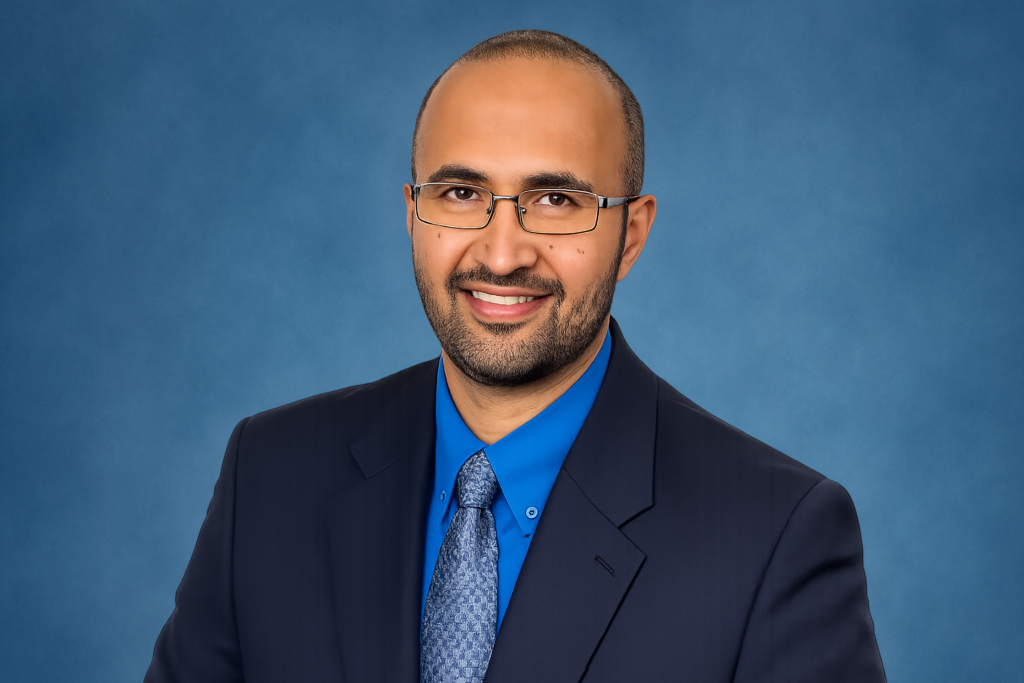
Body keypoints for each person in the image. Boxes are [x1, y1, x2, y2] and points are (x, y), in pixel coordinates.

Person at [145, 30, 886, 683]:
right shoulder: (271, 473)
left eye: (557, 200)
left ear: (631, 233)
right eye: (462, 191)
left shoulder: (771, 533)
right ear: (412, 214)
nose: (501, 253)